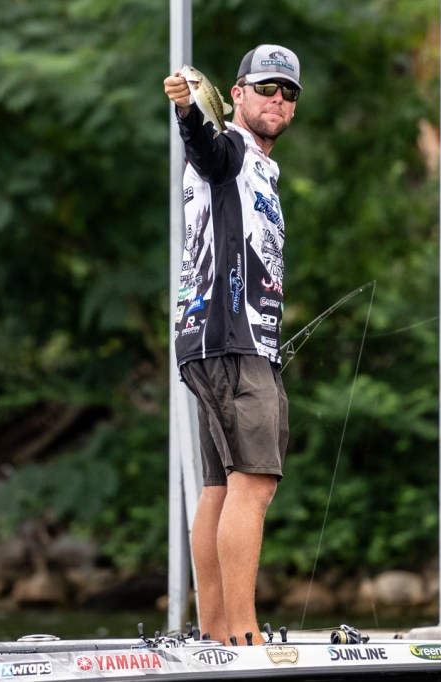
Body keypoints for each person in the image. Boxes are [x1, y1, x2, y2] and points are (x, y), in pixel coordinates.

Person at [162, 44, 301, 646]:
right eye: (266, 87)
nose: (278, 100)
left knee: (221, 488)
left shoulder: (262, 169)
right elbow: (204, 148)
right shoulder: (231, 149)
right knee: (255, 482)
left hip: (221, 342)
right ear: (236, 93)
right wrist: (188, 111)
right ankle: (244, 639)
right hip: (232, 341)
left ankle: (217, 638)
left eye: (288, 93)